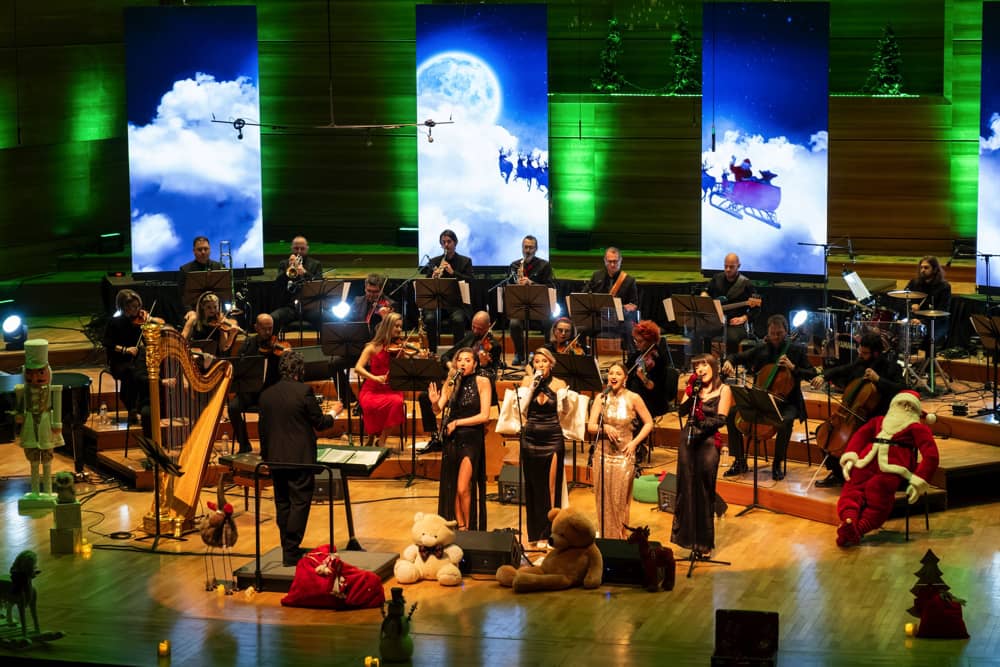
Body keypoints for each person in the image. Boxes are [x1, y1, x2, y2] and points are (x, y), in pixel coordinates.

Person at [258, 350, 342, 566]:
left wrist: (266, 458)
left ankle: (288, 548)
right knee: (299, 503)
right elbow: (320, 423)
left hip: (275, 459)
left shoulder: (266, 394)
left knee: (282, 503)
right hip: (299, 459)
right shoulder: (304, 391)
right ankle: (291, 550)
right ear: (300, 371)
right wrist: (334, 412)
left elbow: (262, 431)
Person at [835, 390, 939, 547]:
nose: (904, 408)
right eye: (900, 404)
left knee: (878, 496)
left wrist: (918, 481)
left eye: (908, 406)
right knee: (851, 489)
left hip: (893, 468)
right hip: (865, 461)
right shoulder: (878, 421)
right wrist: (851, 457)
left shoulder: (917, 428)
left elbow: (931, 455)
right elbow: (860, 436)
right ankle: (849, 522)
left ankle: (856, 529)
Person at [722, 314, 816, 481]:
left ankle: (777, 463)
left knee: (785, 422)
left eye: (779, 333)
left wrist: (793, 367)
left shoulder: (796, 351)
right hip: (762, 400)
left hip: (788, 402)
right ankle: (740, 461)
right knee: (732, 414)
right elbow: (736, 357)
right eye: (772, 333)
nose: (775, 337)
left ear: (786, 332)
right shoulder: (762, 349)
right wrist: (729, 361)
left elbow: (811, 374)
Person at [809, 332, 904, 487]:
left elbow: (901, 388)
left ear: (876, 353)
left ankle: (856, 475)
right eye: (860, 351)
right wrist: (824, 376)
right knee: (824, 431)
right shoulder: (860, 363)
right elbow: (841, 369)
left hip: (879, 417)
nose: (861, 355)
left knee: (849, 438)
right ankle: (838, 473)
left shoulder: (891, 367)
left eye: (865, 353)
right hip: (855, 415)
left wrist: (878, 380)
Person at [672, 354, 732, 558]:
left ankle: (704, 543)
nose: (700, 369)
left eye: (704, 365)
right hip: (688, 442)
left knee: (704, 490)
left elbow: (721, 419)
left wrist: (702, 427)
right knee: (686, 488)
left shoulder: (724, 389)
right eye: (697, 367)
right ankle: (689, 541)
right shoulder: (693, 389)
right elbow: (681, 412)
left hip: (708, 442)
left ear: (713, 367)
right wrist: (692, 393)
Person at [586, 361, 653, 539]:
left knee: (620, 501)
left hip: (624, 455)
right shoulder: (601, 398)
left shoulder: (633, 398)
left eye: (618, 373)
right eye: (611, 373)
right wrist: (604, 428)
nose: (613, 376)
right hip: (602, 455)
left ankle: (620, 539)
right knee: (603, 500)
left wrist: (635, 443)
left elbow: (649, 423)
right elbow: (591, 426)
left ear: (625, 378)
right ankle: (606, 538)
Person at [428, 347, 491, 531]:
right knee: (453, 487)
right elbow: (438, 410)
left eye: (468, 360)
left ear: (475, 364)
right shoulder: (451, 382)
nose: (463, 363)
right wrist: (434, 402)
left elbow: (484, 416)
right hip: (452, 438)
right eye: (460, 360)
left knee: (463, 487)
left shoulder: (483, 381)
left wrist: (458, 423)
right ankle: (461, 527)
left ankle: (470, 529)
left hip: (471, 438)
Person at [418, 311, 500, 441]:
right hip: (457, 381)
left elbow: (491, 375)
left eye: (479, 328)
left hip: (476, 387)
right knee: (424, 396)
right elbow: (446, 356)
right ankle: (434, 436)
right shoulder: (470, 337)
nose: (475, 331)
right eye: (473, 326)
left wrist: (483, 365)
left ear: (488, 326)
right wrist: (452, 367)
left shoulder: (493, 346)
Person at [519, 348, 568, 547]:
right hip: (530, 437)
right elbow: (522, 410)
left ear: (551, 364)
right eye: (537, 361)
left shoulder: (559, 384)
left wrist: (565, 398)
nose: (540, 364)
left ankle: (550, 533)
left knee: (551, 487)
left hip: (552, 436)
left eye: (544, 361)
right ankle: (536, 534)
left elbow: (564, 413)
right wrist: (533, 385)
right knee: (534, 486)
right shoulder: (526, 381)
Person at [14, 339, 63, 499]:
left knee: (47, 458)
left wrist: (57, 423)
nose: (34, 378)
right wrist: (19, 415)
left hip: (45, 423)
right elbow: (20, 405)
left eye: (40, 373)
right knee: (33, 460)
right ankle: (35, 491)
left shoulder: (53, 390)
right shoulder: (22, 390)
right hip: (30, 422)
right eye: (30, 373)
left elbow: (57, 405)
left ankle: (47, 491)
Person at [228, 314, 283, 454]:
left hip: (269, 391)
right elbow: (238, 365)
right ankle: (244, 445)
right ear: (256, 328)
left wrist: (281, 354)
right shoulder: (248, 344)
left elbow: (283, 370)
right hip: (250, 391)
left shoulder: (277, 346)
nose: (268, 332)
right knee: (233, 407)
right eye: (264, 329)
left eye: (270, 328)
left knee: (265, 410)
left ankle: (266, 450)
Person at [354, 312, 407, 447]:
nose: (399, 330)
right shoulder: (371, 347)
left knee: (397, 402)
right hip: (372, 387)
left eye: (400, 327)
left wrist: (407, 356)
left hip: (392, 388)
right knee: (368, 404)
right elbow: (358, 368)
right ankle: (371, 436)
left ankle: (382, 439)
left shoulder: (398, 347)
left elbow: (406, 368)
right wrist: (375, 378)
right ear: (388, 326)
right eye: (396, 326)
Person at [421, 229, 475, 352]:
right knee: (429, 318)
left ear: (455, 243)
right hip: (437, 303)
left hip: (456, 303)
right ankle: (432, 352)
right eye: (443, 242)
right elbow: (426, 284)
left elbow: (471, 281)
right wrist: (433, 277)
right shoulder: (434, 262)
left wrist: (453, 272)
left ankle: (457, 353)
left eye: (449, 242)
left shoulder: (465, 261)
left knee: (458, 320)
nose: (446, 245)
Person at [103, 289, 152, 423]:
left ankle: (146, 407)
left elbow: (146, 341)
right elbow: (107, 343)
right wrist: (125, 350)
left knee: (144, 372)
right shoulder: (114, 322)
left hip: (135, 360)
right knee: (131, 373)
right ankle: (132, 408)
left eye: (138, 306)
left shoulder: (140, 321)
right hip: (118, 361)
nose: (137, 310)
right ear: (123, 307)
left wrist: (149, 325)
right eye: (132, 307)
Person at [697, 253, 759, 355]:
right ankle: (706, 359)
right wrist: (704, 295)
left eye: (731, 267)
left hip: (734, 323)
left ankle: (729, 362)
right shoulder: (717, 278)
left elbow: (756, 308)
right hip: (716, 321)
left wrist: (743, 318)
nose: (728, 269)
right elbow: (706, 290)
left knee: (732, 338)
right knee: (699, 332)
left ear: (738, 266)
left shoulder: (746, 284)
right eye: (725, 266)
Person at [508, 235, 556, 367]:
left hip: (539, 307)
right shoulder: (514, 265)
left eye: (531, 247)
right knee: (514, 323)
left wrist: (532, 283)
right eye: (525, 247)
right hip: (521, 306)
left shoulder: (544, 265)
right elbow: (508, 287)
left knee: (549, 320)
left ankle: (547, 353)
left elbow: (551, 286)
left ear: (536, 249)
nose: (528, 250)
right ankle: (519, 354)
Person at [584, 247, 640, 355]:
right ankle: (584, 355)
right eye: (610, 262)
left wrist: (625, 308)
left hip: (619, 319)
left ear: (621, 260)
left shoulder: (629, 280)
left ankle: (632, 357)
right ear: (605, 261)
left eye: (615, 261)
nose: (613, 265)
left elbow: (634, 304)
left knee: (629, 328)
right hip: (599, 318)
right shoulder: (597, 276)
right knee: (580, 327)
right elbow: (585, 295)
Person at [270, 236, 325, 335]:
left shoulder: (316, 264)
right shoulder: (284, 264)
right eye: (296, 248)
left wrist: (305, 273)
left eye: (302, 248)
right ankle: (274, 343)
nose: (299, 251)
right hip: (290, 308)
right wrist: (289, 268)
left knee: (327, 317)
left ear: (307, 248)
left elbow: (319, 283)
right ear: (292, 248)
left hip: (310, 307)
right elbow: (278, 284)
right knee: (273, 318)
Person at [626, 320, 678, 421]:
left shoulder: (659, 360)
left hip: (651, 401)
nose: (636, 344)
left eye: (640, 341)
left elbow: (653, 387)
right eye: (635, 340)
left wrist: (643, 377)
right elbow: (627, 370)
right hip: (634, 398)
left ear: (650, 342)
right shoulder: (637, 355)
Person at [904, 255, 952, 351]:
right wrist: (911, 305)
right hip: (915, 319)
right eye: (921, 267)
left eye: (926, 268)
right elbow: (902, 299)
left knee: (927, 340)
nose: (922, 270)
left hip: (935, 323)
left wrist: (922, 322)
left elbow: (942, 311)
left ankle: (927, 357)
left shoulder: (944, 287)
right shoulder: (914, 283)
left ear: (935, 269)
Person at [181, 292, 239, 356]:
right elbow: (182, 340)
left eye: (215, 307)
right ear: (202, 306)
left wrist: (232, 335)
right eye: (209, 307)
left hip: (214, 358)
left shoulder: (220, 324)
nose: (213, 310)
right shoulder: (194, 319)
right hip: (195, 356)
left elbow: (223, 348)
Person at [178, 236, 225, 311]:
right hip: (194, 310)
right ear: (194, 251)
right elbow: (182, 296)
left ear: (210, 250)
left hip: (216, 309)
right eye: (199, 249)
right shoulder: (185, 270)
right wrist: (190, 311)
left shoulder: (219, 267)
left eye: (206, 249)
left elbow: (224, 293)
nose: (203, 252)